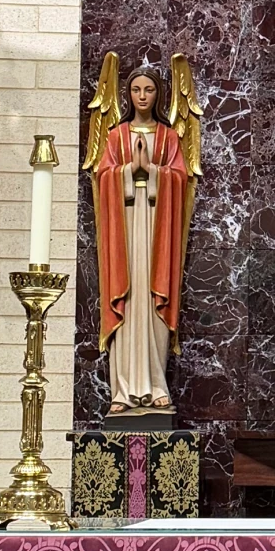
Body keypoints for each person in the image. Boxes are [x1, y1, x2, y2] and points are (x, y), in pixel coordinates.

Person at [91, 68, 189, 413]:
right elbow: (102, 177)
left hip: (157, 228)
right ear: (128, 94)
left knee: (152, 299)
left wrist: (155, 171)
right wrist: (129, 171)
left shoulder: (169, 137)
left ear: (158, 94)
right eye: (136, 89)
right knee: (129, 298)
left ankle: (156, 384)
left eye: (148, 89)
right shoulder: (117, 137)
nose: (142, 96)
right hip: (126, 226)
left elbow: (180, 178)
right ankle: (122, 390)